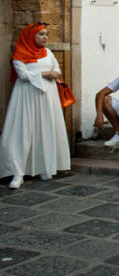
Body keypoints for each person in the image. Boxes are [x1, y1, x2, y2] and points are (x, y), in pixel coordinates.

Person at [0, 23, 71, 189]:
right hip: (26, 96)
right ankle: (18, 172)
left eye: (46, 34)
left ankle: (45, 167)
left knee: (45, 129)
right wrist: (45, 74)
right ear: (31, 36)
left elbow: (57, 68)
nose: (45, 37)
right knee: (22, 130)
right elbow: (23, 74)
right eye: (41, 34)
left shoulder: (48, 53)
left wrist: (55, 73)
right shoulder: (20, 53)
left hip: (47, 96)